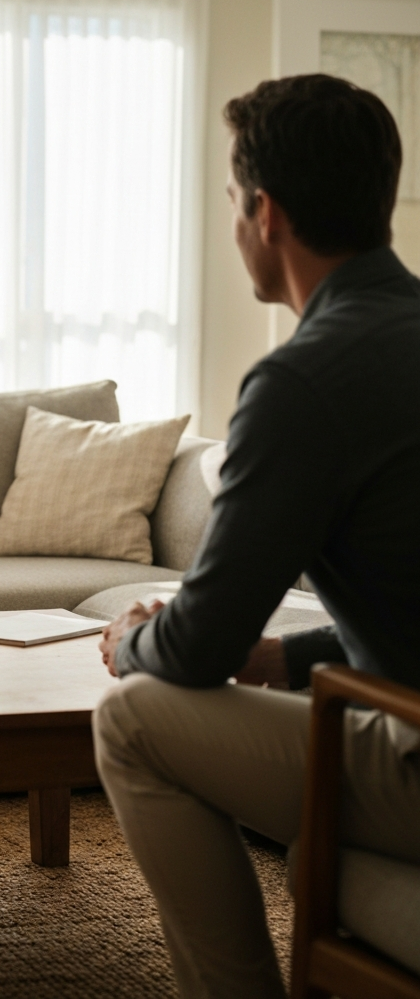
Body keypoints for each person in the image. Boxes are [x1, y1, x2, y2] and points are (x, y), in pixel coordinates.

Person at [91, 73, 420, 999]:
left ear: (265, 213)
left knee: (133, 718)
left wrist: (132, 640)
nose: (236, 223)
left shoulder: (303, 383)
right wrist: (279, 658)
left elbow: (192, 650)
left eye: (235, 204)